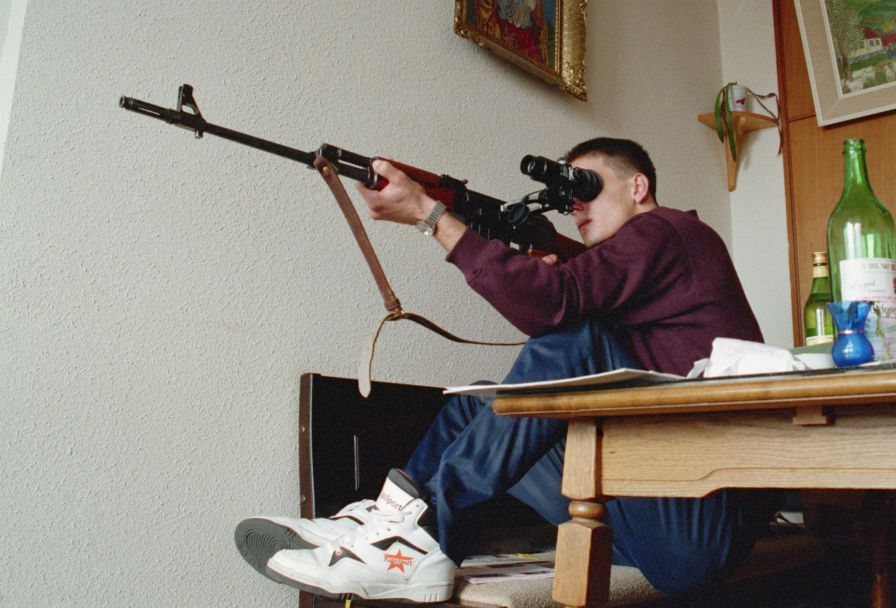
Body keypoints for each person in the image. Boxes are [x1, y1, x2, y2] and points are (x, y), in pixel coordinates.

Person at [234, 138, 777, 603]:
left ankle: (416, 535)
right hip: (653, 523)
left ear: (637, 187)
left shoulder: (670, 228)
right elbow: (560, 304)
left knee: (573, 331)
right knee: (478, 400)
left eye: (587, 187)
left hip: (703, 520)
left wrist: (432, 214)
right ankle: (390, 526)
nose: (576, 208)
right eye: (570, 201)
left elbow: (557, 308)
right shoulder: (636, 277)